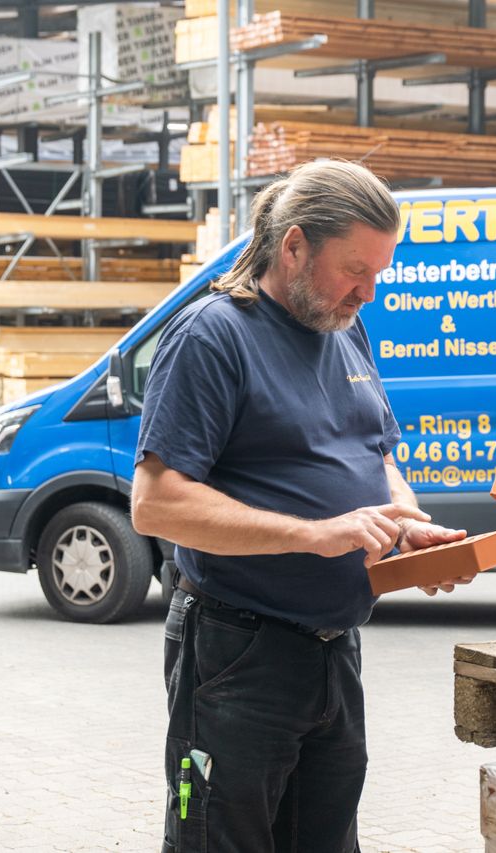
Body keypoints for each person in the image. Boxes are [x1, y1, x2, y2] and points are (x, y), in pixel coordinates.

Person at [131, 160, 470, 853]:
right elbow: (156, 503)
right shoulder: (212, 336)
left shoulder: (344, 328)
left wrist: (405, 524)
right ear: (293, 247)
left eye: (379, 272)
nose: (368, 292)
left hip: (332, 651)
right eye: (355, 270)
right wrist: (312, 533)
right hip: (237, 652)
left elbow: (377, 456)